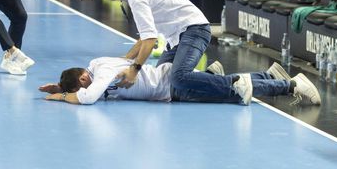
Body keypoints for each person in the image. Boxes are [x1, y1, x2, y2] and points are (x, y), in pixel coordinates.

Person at [93, 0, 313, 107]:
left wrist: (134, 69)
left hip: (193, 31)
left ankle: (289, 85)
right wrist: (125, 60)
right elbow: (144, 37)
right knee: (171, 86)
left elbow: (150, 41)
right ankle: (268, 76)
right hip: (178, 38)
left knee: (179, 79)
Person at [39, 59, 320, 106]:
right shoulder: (95, 70)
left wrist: (61, 98)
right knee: (227, 83)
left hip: (173, 86)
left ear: (84, 78)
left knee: (234, 90)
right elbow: (92, 93)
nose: (82, 92)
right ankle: (271, 76)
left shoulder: (100, 74)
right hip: (169, 86)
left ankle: (292, 85)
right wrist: (61, 87)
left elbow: (89, 98)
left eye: (79, 88)